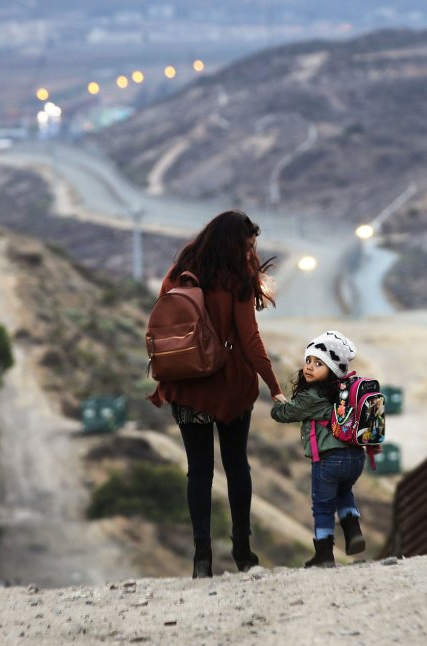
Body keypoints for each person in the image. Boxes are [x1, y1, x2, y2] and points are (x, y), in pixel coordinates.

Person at [148, 210, 287, 578]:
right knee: (237, 466)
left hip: (186, 387)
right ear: (235, 244)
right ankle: (243, 551)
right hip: (229, 389)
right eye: (248, 246)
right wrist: (274, 388)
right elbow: (250, 340)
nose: (250, 253)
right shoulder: (235, 279)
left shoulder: (180, 273)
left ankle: (201, 558)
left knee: (199, 471)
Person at [270, 330, 368, 568]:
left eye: (319, 363)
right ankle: (353, 532)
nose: (309, 367)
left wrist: (277, 404)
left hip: (329, 460)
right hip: (355, 458)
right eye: (308, 361)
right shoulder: (346, 391)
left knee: (323, 506)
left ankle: (324, 554)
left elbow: (286, 414)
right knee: (344, 493)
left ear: (333, 369)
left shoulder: (312, 395)